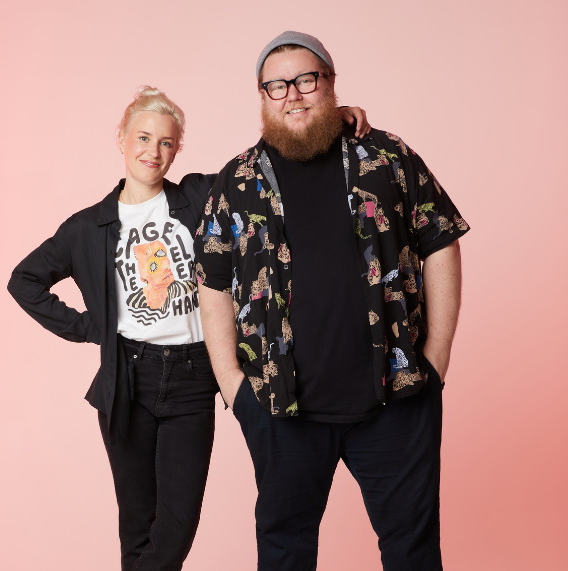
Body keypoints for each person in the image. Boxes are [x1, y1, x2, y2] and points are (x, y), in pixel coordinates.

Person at [7, 85, 371, 571]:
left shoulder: (199, 196)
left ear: (178, 149)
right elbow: (24, 280)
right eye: (142, 138)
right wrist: (92, 327)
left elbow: (260, 170)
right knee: (137, 524)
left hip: (195, 376)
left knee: (177, 523)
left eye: (166, 142)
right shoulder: (87, 227)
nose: (152, 152)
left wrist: (317, 118)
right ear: (121, 139)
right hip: (128, 378)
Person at [194, 31, 470, 571]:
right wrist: (233, 384)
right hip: (280, 409)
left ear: (330, 82)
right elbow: (213, 282)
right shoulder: (237, 182)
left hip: (396, 401)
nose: (293, 95)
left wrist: (436, 357)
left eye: (306, 79)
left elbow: (440, 239)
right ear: (262, 96)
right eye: (277, 86)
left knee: (413, 553)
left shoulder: (387, 157)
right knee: (284, 554)